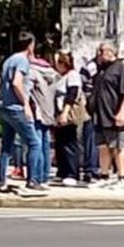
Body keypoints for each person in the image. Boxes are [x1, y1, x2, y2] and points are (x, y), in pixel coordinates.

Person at [0, 32, 46, 193]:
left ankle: (2, 181)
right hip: (17, 108)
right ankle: (33, 180)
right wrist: (25, 103)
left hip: (4, 106)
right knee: (34, 143)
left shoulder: (8, 60)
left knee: (6, 146)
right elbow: (17, 82)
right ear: (30, 45)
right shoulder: (22, 61)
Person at [88, 42, 124, 190]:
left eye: (101, 51)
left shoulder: (121, 68)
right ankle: (104, 175)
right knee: (103, 147)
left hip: (114, 115)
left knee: (117, 148)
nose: (99, 54)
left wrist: (121, 113)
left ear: (110, 52)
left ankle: (122, 177)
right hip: (100, 116)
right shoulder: (101, 69)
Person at [53, 51, 84, 186]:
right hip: (58, 112)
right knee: (60, 143)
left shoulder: (72, 76)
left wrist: (65, 112)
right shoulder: (59, 77)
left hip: (68, 112)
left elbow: (72, 94)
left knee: (70, 143)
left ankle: (72, 172)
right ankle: (62, 171)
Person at [29, 47, 58, 185]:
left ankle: (37, 175)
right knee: (45, 144)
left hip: (37, 112)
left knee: (36, 143)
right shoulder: (53, 74)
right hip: (49, 112)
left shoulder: (33, 72)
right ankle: (45, 174)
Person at [79, 52, 101, 182]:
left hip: (103, 108)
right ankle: (91, 169)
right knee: (91, 137)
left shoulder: (109, 67)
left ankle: (97, 168)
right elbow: (83, 84)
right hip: (92, 108)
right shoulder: (91, 67)